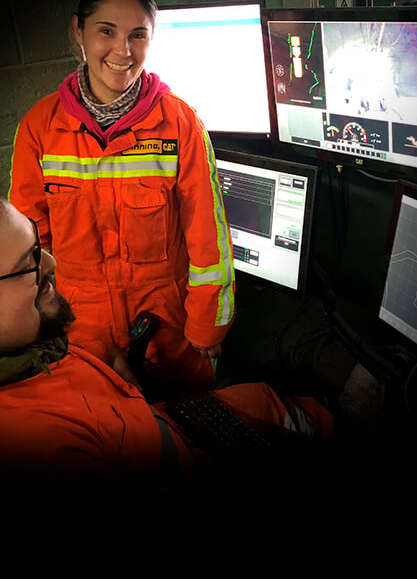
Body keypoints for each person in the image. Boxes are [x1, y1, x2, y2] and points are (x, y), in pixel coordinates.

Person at [0, 199, 334, 489]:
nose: (50, 262)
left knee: (265, 399)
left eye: (36, 246)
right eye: (28, 264)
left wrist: (102, 354)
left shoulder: (31, 348)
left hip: (164, 422)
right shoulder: (44, 447)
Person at [8, 0, 235, 392]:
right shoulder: (39, 128)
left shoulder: (181, 124)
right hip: (81, 335)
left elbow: (209, 236)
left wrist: (208, 325)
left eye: (137, 35)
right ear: (78, 30)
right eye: (106, 31)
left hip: (169, 332)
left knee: (188, 426)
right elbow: (30, 248)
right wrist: (44, 330)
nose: (123, 51)